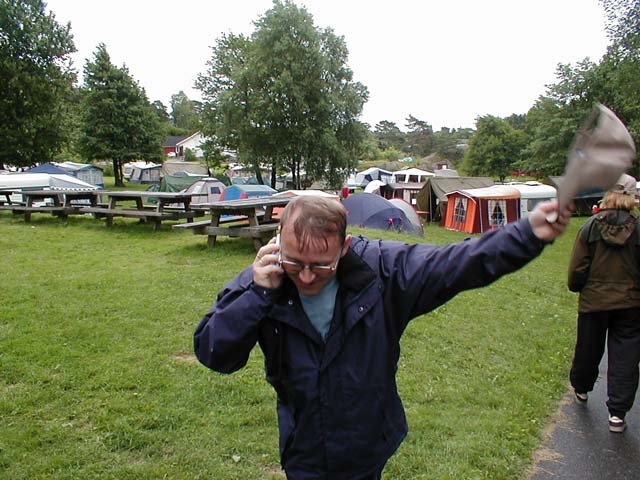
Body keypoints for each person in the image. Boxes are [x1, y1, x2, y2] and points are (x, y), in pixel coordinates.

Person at [194, 195, 571, 479]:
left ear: (344, 247)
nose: (306, 276)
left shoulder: (383, 270)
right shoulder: (263, 276)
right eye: (296, 262)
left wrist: (526, 234)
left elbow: (455, 264)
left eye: (321, 265)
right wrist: (257, 294)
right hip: (304, 448)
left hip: (367, 444)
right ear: (279, 242)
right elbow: (215, 353)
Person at [568, 173, 640, 433]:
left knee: (588, 348)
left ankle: (581, 387)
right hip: (630, 304)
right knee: (626, 357)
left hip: (594, 302)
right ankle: (617, 414)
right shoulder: (638, 228)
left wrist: (577, 286)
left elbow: (578, 266)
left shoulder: (590, 226)